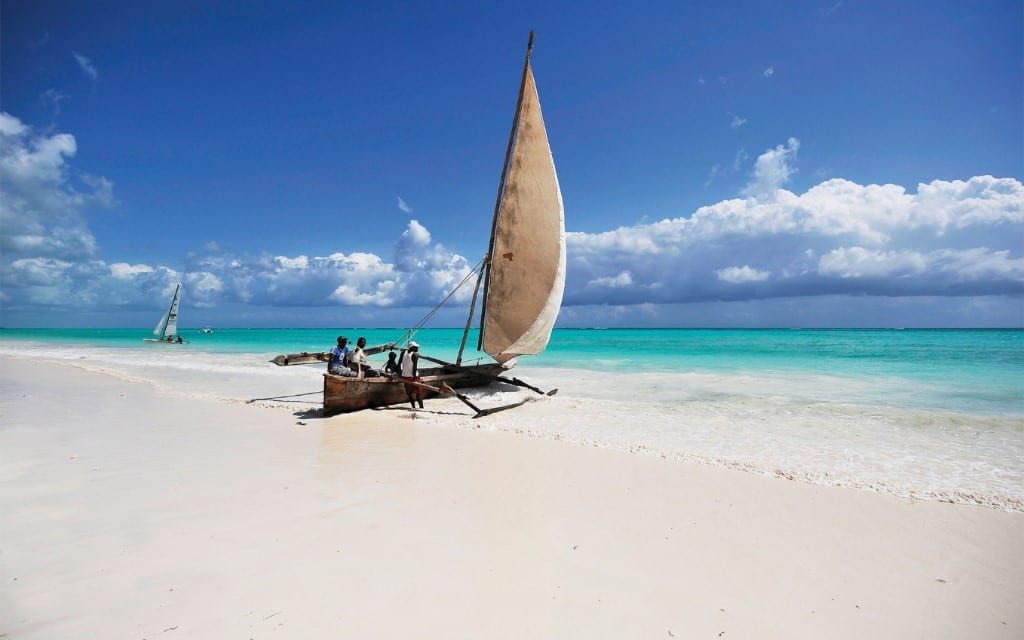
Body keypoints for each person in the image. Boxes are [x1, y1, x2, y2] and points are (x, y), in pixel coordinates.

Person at [400, 341, 424, 409]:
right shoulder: (415, 355)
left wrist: (400, 374)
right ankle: (421, 408)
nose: (417, 348)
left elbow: (399, 364)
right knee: (418, 393)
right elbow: (414, 368)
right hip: (414, 377)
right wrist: (414, 378)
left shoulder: (403, 352)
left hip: (405, 376)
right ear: (412, 347)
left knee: (410, 393)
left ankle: (413, 407)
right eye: (416, 347)